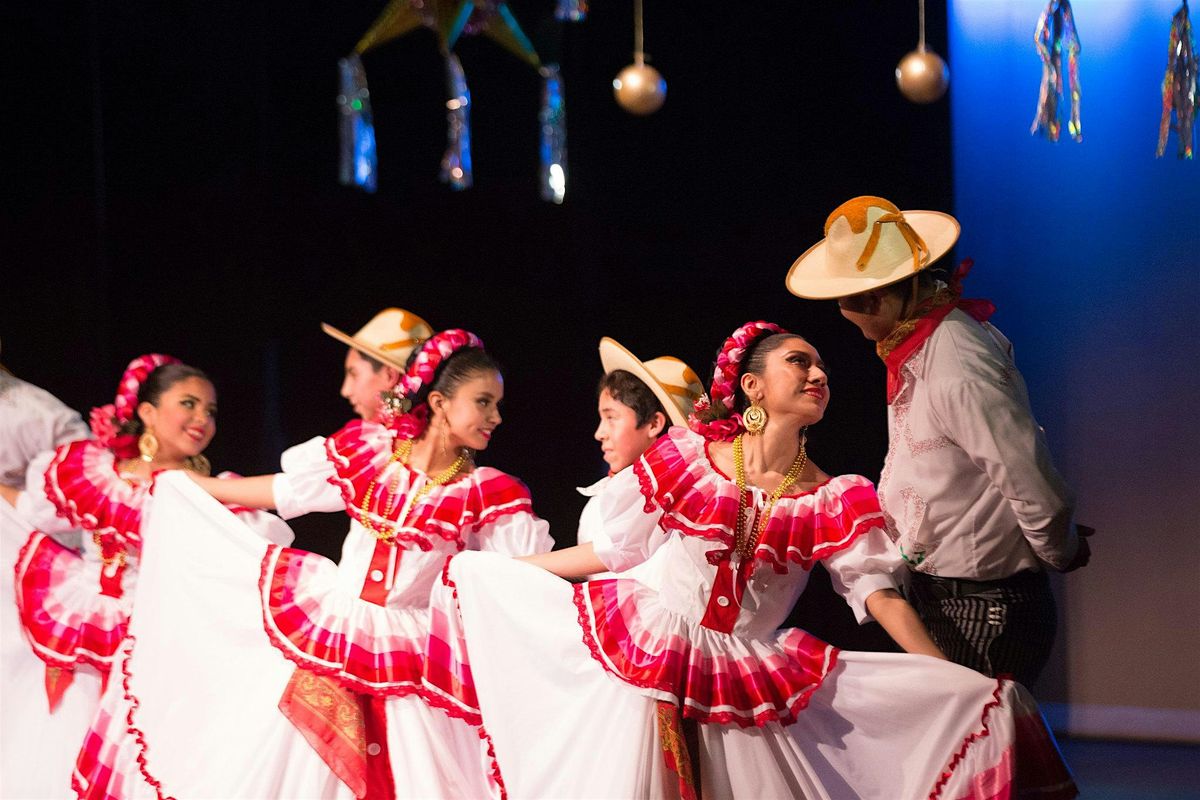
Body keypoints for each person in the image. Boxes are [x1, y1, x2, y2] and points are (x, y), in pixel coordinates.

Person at [425, 321, 1076, 799]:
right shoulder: (688, 460)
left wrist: (946, 677)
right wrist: (510, 573)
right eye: (801, 362)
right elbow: (617, 549)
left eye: (822, 367)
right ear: (754, 386)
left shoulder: (834, 498)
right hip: (653, 646)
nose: (818, 374)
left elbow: (878, 594)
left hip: (743, 670)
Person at [74, 328, 554, 800]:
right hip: (336, 628)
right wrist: (192, 487)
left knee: (410, 775)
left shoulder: (488, 492)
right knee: (292, 765)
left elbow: (519, 573)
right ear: (440, 403)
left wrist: (596, 569)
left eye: (496, 404)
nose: (495, 417)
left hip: (408, 653)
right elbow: (284, 491)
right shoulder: (372, 453)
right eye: (483, 401)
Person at [785, 194, 1089, 687]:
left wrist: (1059, 549)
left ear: (875, 297)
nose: (846, 313)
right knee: (976, 757)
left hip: (983, 607)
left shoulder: (953, 358)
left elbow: (1028, 475)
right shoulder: (919, 345)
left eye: (847, 300)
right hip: (951, 598)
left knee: (983, 756)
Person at [1, 354, 291, 800]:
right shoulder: (93, 472)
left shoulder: (214, 494)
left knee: (143, 751)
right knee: (67, 740)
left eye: (210, 411)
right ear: (148, 412)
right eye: (189, 404)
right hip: (87, 621)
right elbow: (31, 511)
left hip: (158, 632)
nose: (202, 419)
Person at [577, 337, 703, 579]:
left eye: (611, 417)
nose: (599, 433)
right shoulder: (598, 504)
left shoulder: (684, 510)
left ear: (654, 423)